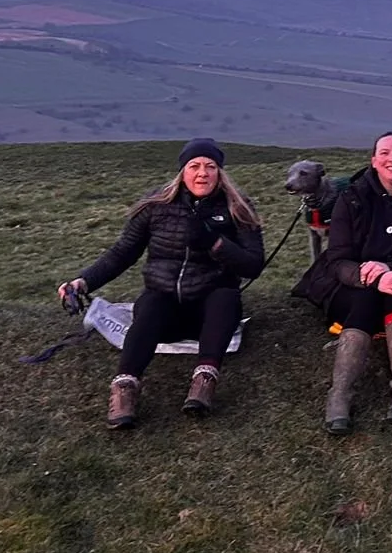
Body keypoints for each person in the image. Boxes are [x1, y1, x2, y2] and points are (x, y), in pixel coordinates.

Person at [59, 138, 265, 429]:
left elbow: (255, 264)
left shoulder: (237, 207)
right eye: (194, 166)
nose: (202, 173)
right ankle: (125, 389)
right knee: (151, 303)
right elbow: (123, 253)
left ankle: (203, 382)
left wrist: (215, 243)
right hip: (164, 307)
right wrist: (83, 282)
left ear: (220, 172)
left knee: (226, 297)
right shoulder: (156, 205)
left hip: (211, 313)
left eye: (210, 166)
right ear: (182, 171)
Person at [292, 131, 392, 434]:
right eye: (385, 153)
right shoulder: (351, 199)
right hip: (354, 285)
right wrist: (374, 276)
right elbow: (337, 260)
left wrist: (391, 268)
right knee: (368, 297)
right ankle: (340, 394)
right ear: (374, 161)